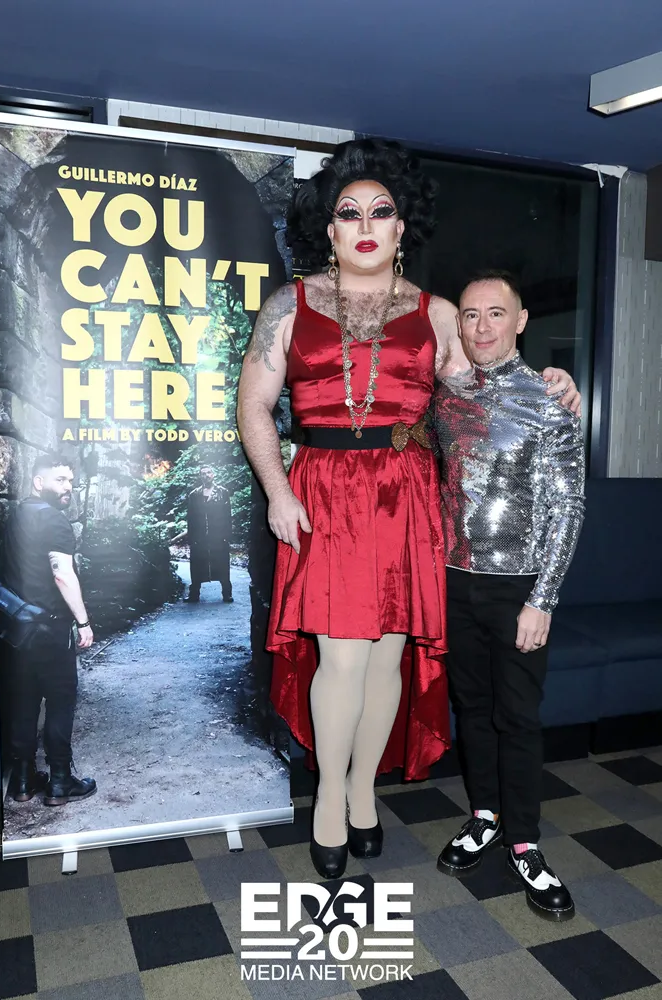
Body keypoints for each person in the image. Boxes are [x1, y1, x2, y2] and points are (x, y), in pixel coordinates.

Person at [237, 139, 579, 880]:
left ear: (400, 228)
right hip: (325, 492)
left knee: (387, 656)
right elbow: (254, 407)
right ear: (330, 229)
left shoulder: (439, 313)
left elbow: (491, 384)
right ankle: (331, 799)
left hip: (407, 494)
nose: (365, 225)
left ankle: (365, 790)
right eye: (348, 212)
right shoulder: (287, 306)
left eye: (380, 211)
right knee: (341, 657)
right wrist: (279, 491)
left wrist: (553, 382)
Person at [434, 271, 585, 921]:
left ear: (520, 321)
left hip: (518, 588)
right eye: (471, 314)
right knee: (471, 708)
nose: (483, 326)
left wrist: (543, 599)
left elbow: (568, 508)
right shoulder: (443, 397)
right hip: (450, 581)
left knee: (517, 718)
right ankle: (486, 816)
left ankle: (524, 842)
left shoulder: (551, 399)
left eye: (496, 313)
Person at [0, 454, 97, 806]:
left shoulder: (15, 516)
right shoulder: (55, 520)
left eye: (70, 480)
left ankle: (23, 781)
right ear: (39, 482)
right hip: (50, 629)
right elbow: (62, 574)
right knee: (60, 700)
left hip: (15, 631)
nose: (68, 486)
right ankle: (59, 782)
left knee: (23, 701)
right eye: (60, 480)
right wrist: (83, 622)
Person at [171, 465, 233, 603]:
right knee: (197, 564)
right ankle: (194, 594)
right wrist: (192, 537)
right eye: (203, 473)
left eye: (209, 472)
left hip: (218, 535)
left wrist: (227, 535)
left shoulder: (223, 492)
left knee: (222, 563)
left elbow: (227, 516)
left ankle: (227, 593)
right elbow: (191, 517)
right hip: (199, 536)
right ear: (200, 476)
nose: (206, 475)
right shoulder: (194, 494)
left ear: (213, 475)